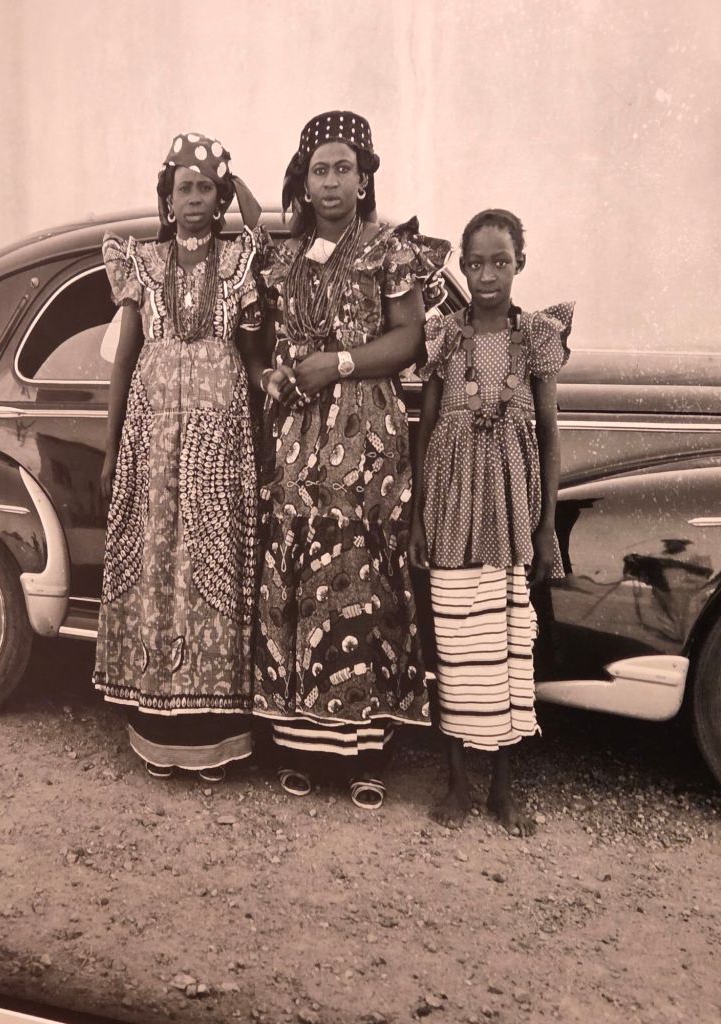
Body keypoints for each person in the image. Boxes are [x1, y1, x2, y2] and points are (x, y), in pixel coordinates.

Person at [246, 110, 450, 809]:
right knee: (299, 572)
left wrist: (336, 364)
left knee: (361, 577)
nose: (331, 182)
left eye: (343, 169)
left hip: (366, 439)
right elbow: (268, 344)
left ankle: (364, 753)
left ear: (364, 180)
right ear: (303, 181)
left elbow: (410, 339)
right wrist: (277, 374)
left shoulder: (390, 248)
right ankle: (301, 746)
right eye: (319, 169)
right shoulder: (284, 255)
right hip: (296, 442)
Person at [93, 133, 266, 781]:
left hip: (221, 437)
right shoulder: (140, 261)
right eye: (183, 187)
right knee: (158, 567)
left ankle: (215, 741)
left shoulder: (240, 259)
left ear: (220, 199)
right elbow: (126, 359)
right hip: (154, 438)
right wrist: (112, 446)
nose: (194, 198)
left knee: (214, 565)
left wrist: (233, 175)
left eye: (205, 188)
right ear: (167, 199)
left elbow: (254, 353)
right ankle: (158, 735)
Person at [409, 209, 573, 834]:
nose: (486, 276)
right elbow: (426, 427)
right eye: (475, 263)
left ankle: (503, 788)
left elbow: (549, 434)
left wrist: (545, 526)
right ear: (463, 266)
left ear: (519, 264)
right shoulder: (443, 335)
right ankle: (457, 783)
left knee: (507, 645)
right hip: (451, 508)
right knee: (455, 641)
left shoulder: (537, 336)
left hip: (511, 512)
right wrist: (419, 518)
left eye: (499, 262)